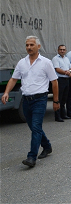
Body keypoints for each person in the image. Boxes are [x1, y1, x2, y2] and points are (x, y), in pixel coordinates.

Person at [1, 36, 59, 167]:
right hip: (26, 100)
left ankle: (31, 157)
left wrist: (56, 101)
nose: (29, 47)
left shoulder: (46, 62)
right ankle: (47, 146)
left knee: (36, 127)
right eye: (27, 45)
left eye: (32, 45)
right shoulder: (22, 63)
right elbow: (13, 79)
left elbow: (54, 82)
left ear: (38, 46)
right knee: (33, 127)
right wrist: (6, 92)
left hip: (40, 99)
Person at [52, 44, 71, 121]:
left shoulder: (66, 58)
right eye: (61, 49)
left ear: (65, 51)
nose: (62, 51)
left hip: (66, 80)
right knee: (59, 98)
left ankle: (63, 114)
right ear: (58, 50)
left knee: (64, 98)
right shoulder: (55, 59)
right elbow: (57, 69)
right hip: (60, 80)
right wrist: (66, 73)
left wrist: (69, 71)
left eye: (64, 49)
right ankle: (57, 116)